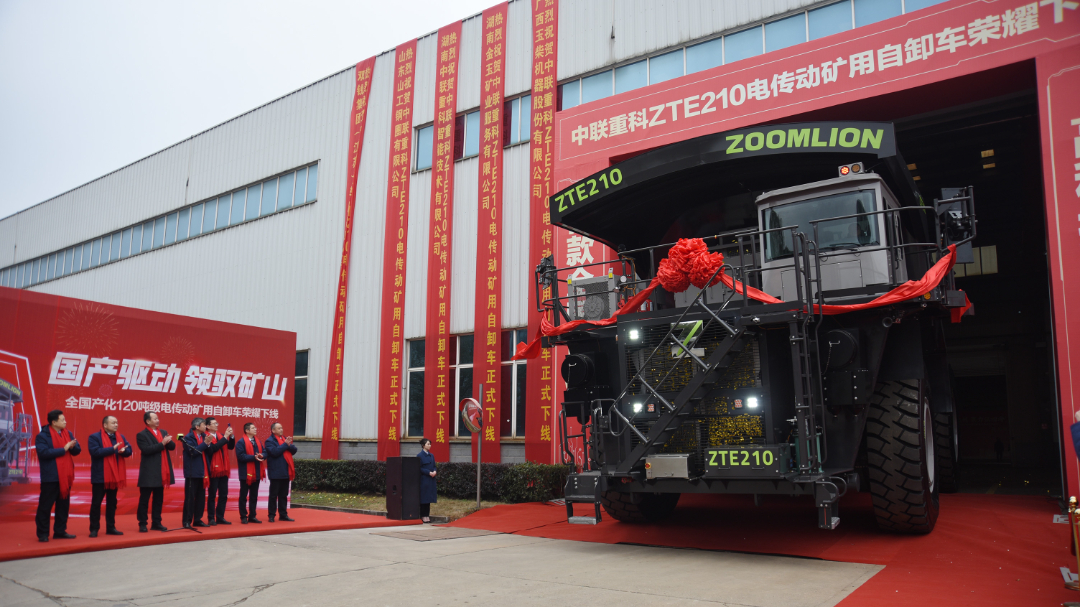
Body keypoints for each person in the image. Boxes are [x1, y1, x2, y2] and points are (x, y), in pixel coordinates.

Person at [34, 410, 81, 542]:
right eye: (62, 420)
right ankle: (43, 534)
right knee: (45, 506)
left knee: (63, 506)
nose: (65, 422)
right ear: (54, 422)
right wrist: (64, 448)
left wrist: (74, 446)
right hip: (51, 476)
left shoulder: (68, 433)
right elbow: (43, 453)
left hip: (65, 477)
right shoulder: (43, 436)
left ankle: (60, 531)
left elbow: (76, 452)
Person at [87, 415, 132, 537]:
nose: (116, 425)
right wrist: (112, 449)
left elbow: (129, 450)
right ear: (105, 425)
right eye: (113, 423)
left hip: (114, 476)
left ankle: (111, 527)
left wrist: (124, 451)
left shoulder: (120, 437)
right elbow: (95, 452)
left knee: (112, 503)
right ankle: (94, 529)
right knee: (96, 503)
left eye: (117, 422)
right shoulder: (94, 437)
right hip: (100, 476)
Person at [137, 411, 176, 532]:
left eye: (157, 418)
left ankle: (156, 522)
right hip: (148, 472)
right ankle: (142, 523)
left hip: (161, 472)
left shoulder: (163, 432)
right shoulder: (142, 435)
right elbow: (146, 450)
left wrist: (169, 441)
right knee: (144, 499)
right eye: (154, 419)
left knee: (158, 499)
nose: (157, 420)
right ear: (148, 421)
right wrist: (162, 444)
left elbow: (172, 447)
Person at [203, 417, 235, 526]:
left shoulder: (221, 435)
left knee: (223, 494)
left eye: (217, 423)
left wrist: (231, 436)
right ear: (207, 426)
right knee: (212, 495)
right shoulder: (206, 436)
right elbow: (213, 449)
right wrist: (225, 437)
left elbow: (230, 446)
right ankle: (211, 518)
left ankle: (220, 517)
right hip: (213, 469)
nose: (217, 425)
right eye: (214, 423)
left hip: (224, 469)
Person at [181, 417, 211, 529]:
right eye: (204, 425)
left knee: (201, 498)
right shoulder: (188, 438)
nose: (205, 427)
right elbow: (193, 452)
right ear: (197, 427)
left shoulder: (204, 436)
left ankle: (198, 519)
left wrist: (208, 443)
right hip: (192, 472)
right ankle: (187, 521)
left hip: (203, 471)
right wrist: (205, 443)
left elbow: (209, 451)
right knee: (190, 498)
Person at [264, 422, 297, 522]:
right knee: (273, 495)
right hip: (275, 472)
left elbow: (294, 449)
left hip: (285, 472)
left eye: (281, 428)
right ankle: (271, 515)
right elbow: (274, 452)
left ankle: (283, 515)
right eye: (279, 428)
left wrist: (287, 444)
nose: (281, 430)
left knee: (283, 495)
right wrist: (285, 445)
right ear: (273, 430)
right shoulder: (269, 441)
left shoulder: (284, 439)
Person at [236, 422, 265, 524]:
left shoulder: (257, 441)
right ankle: (243, 516)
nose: (255, 429)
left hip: (256, 472)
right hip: (245, 474)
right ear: (247, 430)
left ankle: (252, 516)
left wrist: (262, 455)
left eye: (255, 427)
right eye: (253, 428)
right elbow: (241, 456)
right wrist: (254, 457)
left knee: (254, 496)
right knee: (243, 496)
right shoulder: (241, 442)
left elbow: (265, 452)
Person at [417, 438, 436, 523]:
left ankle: (427, 515)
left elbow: (434, 465)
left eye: (430, 444)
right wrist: (428, 472)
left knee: (428, 498)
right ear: (423, 445)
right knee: (424, 498)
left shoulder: (431, 455)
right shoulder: (419, 455)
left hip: (431, 479)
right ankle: (423, 515)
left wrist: (435, 471)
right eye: (428, 444)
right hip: (424, 479)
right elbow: (419, 468)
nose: (429, 445)